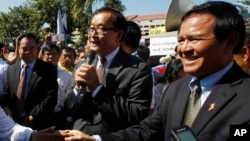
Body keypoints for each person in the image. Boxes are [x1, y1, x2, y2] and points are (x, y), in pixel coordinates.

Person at [60, 1, 250, 141]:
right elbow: (146, 131)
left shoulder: (245, 97)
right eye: (181, 40)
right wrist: (95, 140)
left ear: (230, 41)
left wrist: (97, 89)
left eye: (195, 39)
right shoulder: (176, 90)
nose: (183, 49)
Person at [61, 7, 152, 135]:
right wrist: (77, 89)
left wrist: (97, 89)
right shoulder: (81, 65)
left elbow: (136, 114)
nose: (93, 35)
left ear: (119, 35)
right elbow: (65, 108)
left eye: (101, 29)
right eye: (91, 29)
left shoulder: (138, 69)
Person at [0, 33, 58, 130]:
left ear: (37, 49)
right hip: (14, 124)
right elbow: (8, 91)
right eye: (24, 48)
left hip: (38, 123)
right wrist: (6, 106)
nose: (28, 52)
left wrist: (33, 115)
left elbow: (51, 96)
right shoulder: (11, 69)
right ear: (18, 49)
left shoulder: (48, 69)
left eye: (32, 48)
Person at [40, 43, 71, 129]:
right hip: (38, 117)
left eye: (54, 54)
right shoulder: (36, 74)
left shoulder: (66, 76)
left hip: (58, 116)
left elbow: (69, 100)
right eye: (48, 54)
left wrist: (68, 119)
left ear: (59, 56)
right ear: (42, 56)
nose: (51, 56)